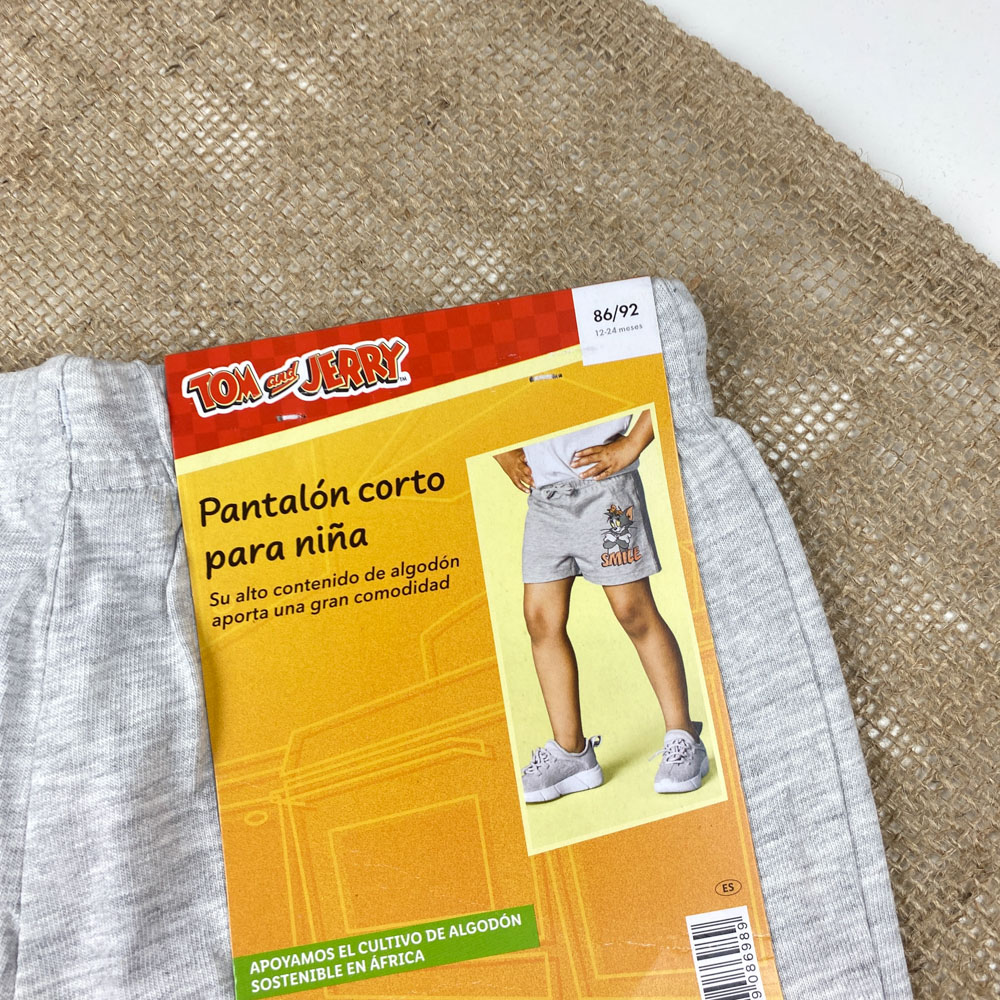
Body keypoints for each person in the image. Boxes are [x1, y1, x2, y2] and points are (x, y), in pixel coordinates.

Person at [494, 411, 710, 803]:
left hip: (605, 489)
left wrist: (634, 442)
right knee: (540, 619)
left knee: (633, 610)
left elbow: (667, 384)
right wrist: (503, 453)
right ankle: (571, 752)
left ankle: (684, 736)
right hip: (545, 500)